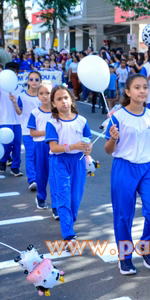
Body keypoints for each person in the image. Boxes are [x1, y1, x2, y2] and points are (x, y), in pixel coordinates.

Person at [105, 74, 150, 276]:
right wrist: (113, 138)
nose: (142, 91)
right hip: (124, 167)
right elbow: (108, 150)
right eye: (137, 87)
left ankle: (145, 246)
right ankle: (125, 257)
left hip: (148, 168)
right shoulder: (117, 117)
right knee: (123, 215)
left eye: (145, 87)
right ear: (128, 92)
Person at [45, 86, 92, 244]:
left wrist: (87, 149)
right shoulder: (52, 122)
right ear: (53, 104)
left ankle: (69, 220)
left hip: (78, 161)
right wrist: (72, 146)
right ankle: (68, 233)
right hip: (59, 161)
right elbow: (53, 147)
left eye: (66, 97)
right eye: (59, 99)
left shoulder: (81, 121)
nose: (63, 101)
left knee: (75, 196)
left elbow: (88, 142)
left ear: (71, 100)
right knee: (63, 195)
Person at [0, 64, 24, 177]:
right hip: (5, 120)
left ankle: (15, 167)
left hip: (18, 121)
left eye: (14, 72)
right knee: (7, 144)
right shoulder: (0, 87)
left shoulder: (20, 89)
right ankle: (4, 159)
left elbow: (22, 106)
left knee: (17, 144)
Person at [27, 83, 55, 212]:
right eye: (41, 93)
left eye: (48, 93)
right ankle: (41, 198)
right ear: (38, 96)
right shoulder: (35, 113)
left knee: (55, 175)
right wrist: (47, 132)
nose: (45, 96)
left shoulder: (57, 112)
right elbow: (32, 133)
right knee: (42, 173)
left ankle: (56, 205)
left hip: (55, 146)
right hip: (40, 146)